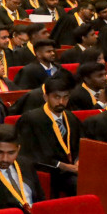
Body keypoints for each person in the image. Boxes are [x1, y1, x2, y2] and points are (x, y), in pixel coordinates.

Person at [15, 69, 82, 197]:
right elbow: (29, 153)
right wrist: (63, 166)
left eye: (65, 97)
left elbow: (80, 142)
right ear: (46, 97)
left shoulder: (70, 118)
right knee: (79, 184)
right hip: (48, 171)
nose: (61, 102)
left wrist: (78, 160)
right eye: (56, 97)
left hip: (73, 169)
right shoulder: (31, 119)